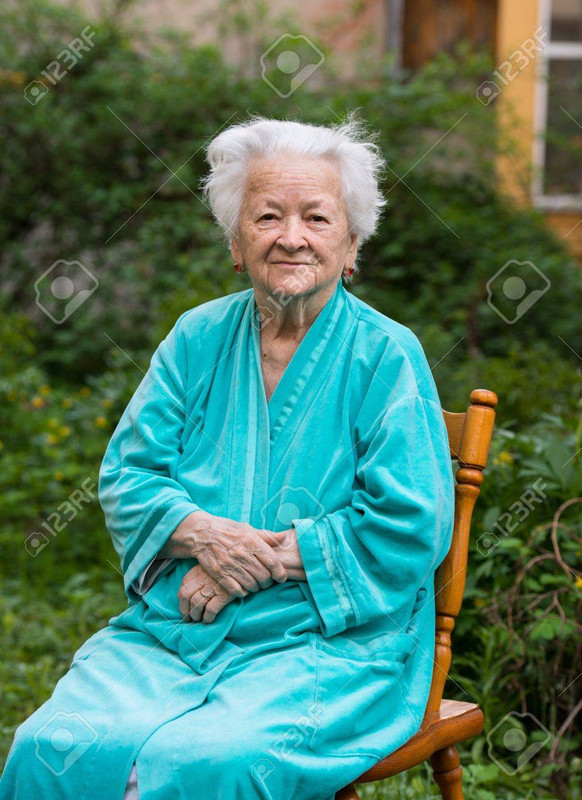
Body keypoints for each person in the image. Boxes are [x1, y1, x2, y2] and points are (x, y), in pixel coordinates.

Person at [0, 114, 455, 800]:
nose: (292, 237)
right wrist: (204, 535)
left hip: (326, 643)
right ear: (236, 244)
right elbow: (129, 473)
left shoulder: (386, 355)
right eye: (267, 216)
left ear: (352, 245)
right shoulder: (196, 337)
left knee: (212, 760)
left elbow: (410, 521)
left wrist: (256, 561)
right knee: (50, 745)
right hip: (178, 627)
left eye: (317, 218)